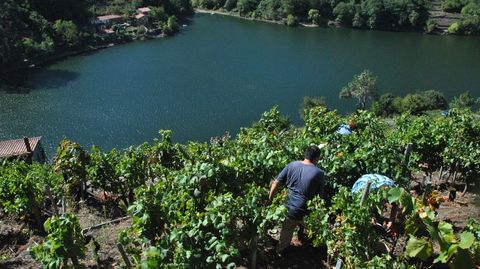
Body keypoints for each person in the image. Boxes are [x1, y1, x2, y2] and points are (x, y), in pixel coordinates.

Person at [268, 145, 326, 254]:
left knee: (286, 233)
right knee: (319, 231)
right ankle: (315, 249)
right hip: (305, 212)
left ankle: (280, 253)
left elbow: (276, 183)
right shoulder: (319, 173)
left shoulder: (292, 165)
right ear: (317, 158)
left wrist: (270, 199)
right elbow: (320, 197)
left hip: (288, 209)